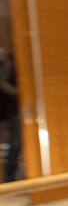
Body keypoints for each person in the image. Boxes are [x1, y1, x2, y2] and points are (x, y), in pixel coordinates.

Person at [0, 45, 21, 182]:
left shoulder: (11, 62)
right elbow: (2, 83)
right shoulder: (10, 63)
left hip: (14, 109)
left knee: (16, 143)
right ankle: (9, 177)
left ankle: (11, 176)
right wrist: (19, 93)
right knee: (15, 143)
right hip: (12, 109)